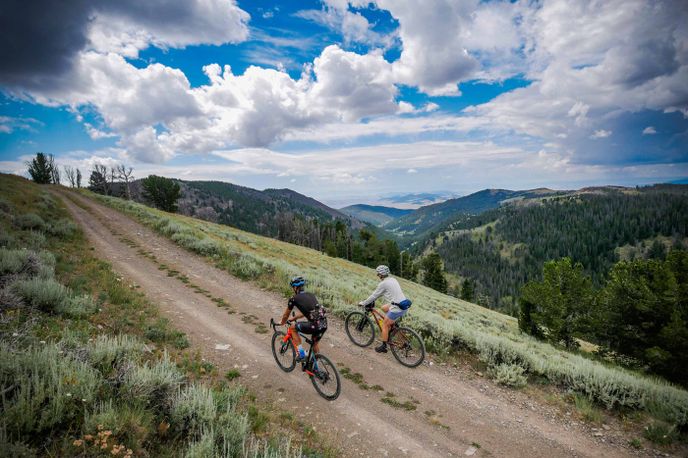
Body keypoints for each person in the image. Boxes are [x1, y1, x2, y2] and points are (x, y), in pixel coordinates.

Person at [359, 265, 410, 353]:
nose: (377, 275)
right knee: (383, 308)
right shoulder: (393, 279)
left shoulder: (383, 283)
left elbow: (374, 295)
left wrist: (364, 303)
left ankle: (383, 346)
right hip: (404, 304)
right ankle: (393, 325)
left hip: (397, 308)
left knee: (385, 325)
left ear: (381, 274)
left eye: (378, 274)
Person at [280, 276, 327, 361]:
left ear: (295, 287)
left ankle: (301, 354)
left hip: (314, 325)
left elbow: (285, 315)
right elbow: (306, 312)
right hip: (324, 324)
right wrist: (293, 318)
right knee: (314, 343)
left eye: (292, 287)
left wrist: (282, 322)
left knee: (292, 328)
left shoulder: (293, 299)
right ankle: (316, 367)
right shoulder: (311, 295)